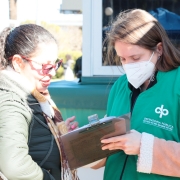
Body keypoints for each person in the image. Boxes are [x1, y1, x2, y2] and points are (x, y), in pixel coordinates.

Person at [97, 9, 180, 180]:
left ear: (159, 49)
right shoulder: (120, 85)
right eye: (123, 59)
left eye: (135, 58)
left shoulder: (176, 83)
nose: (128, 66)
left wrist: (143, 146)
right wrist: (83, 142)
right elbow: (108, 150)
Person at [0, 24, 79, 180]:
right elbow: (14, 166)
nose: (52, 72)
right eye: (45, 66)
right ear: (17, 62)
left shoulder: (35, 95)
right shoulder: (12, 101)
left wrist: (58, 133)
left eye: (55, 64)